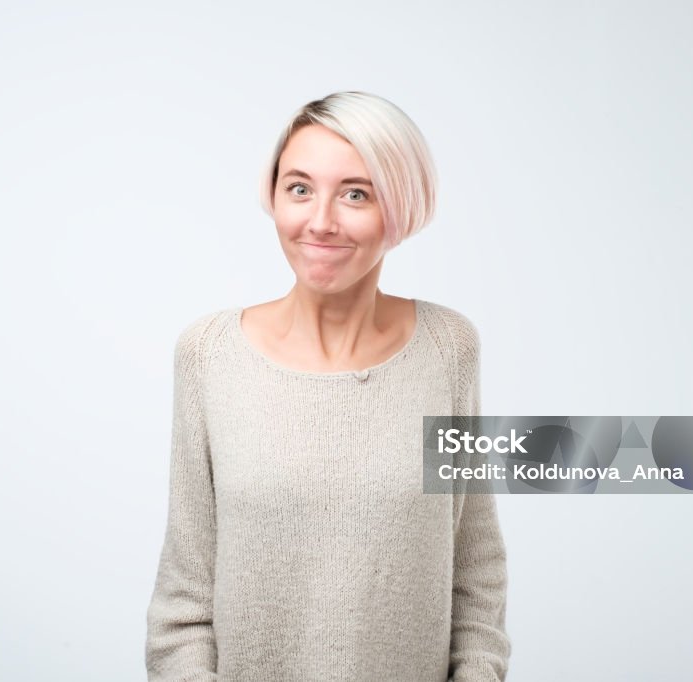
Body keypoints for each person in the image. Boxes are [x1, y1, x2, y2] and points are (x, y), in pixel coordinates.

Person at [145, 91, 511, 681]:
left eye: (355, 194)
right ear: (273, 196)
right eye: (299, 188)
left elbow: (475, 571)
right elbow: (184, 600)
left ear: (401, 206)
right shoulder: (209, 354)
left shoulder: (449, 349)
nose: (320, 221)